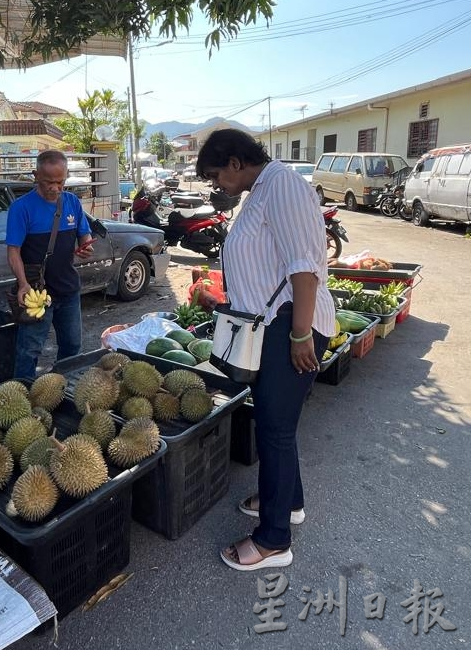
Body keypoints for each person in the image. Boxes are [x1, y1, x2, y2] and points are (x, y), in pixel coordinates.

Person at [195, 129, 336, 571]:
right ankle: (288, 502)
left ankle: (275, 540)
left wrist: (298, 335)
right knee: (277, 426)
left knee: (273, 431)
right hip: (271, 327)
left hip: (289, 328)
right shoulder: (260, 191)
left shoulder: (283, 186)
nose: (216, 184)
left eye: (216, 174)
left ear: (236, 162)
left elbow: (305, 266)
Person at [6, 150, 94, 379]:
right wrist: (23, 284)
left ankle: (63, 389)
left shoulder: (72, 202)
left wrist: (85, 245)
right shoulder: (21, 208)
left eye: (60, 182)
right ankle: (22, 394)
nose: (55, 188)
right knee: (29, 350)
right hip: (37, 292)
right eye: (48, 183)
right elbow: (13, 251)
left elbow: (84, 234)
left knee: (72, 347)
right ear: (36, 175)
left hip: (69, 290)